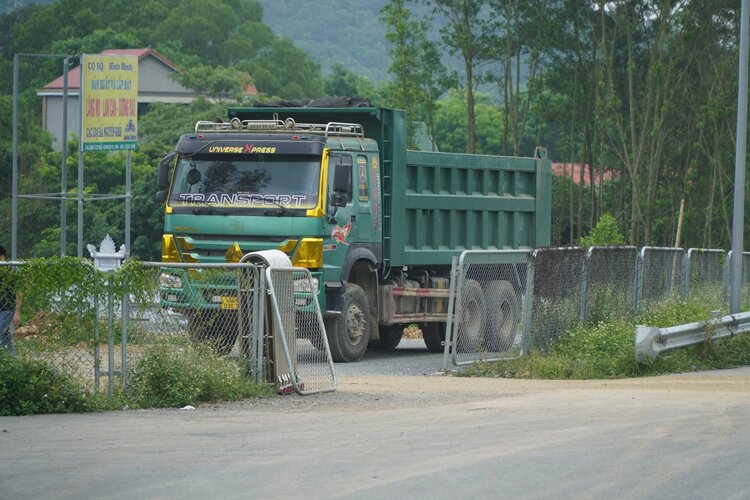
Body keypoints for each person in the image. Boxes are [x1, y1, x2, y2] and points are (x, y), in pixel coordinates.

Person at [0, 245, 21, 356]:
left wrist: (17, 312)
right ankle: (13, 363)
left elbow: (18, 292)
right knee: (5, 339)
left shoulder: (11, 270)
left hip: (7, 310)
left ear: (2, 257)